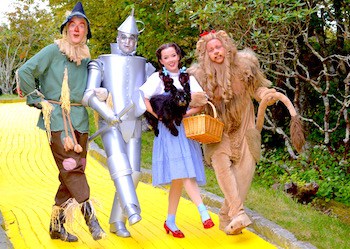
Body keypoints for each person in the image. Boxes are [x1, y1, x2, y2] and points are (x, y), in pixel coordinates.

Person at [17, 2, 106, 242]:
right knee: (72, 169)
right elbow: (24, 72)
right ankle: (91, 218)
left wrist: (102, 93)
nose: (77, 29)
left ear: (86, 32)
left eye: (82, 26)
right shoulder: (53, 51)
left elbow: (97, 87)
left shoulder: (88, 60)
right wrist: (37, 100)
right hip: (57, 120)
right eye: (72, 25)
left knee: (69, 175)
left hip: (81, 122)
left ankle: (57, 226)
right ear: (65, 29)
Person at [187, 30, 278, 235]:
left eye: (218, 47)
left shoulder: (245, 66)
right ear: (205, 55)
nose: (216, 52)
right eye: (211, 50)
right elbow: (190, 101)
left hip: (245, 127)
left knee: (245, 173)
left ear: (227, 47)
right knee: (221, 165)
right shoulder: (199, 76)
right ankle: (238, 213)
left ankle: (226, 216)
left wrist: (266, 95)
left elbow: (258, 89)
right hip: (217, 130)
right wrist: (197, 100)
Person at [82, 9, 154, 238]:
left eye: (132, 38)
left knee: (134, 173)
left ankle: (116, 220)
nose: (127, 41)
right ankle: (132, 210)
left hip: (134, 124)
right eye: (124, 37)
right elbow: (88, 95)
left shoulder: (146, 66)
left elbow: (152, 96)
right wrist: (107, 111)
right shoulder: (100, 62)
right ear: (117, 37)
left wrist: (152, 117)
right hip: (110, 123)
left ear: (136, 40)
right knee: (120, 167)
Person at [139, 42, 215, 239]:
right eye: (166, 57)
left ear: (178, 56)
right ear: (161, 61)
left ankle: (170, 221)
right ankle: (203, 212)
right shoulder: (157, 78)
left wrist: (186, 113)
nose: (171, 60)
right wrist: (159, 116)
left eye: (173, 55)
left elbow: (201, 102)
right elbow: (143, 98)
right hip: (169, 131)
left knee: (178, 180)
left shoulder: (188, 78)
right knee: (183, 171)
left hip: (185, 129)